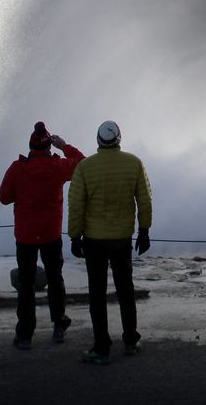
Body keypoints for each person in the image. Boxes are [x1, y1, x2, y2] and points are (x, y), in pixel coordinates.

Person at [67, 120, 153, 364]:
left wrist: (75, 236)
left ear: (98, 140)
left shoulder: (85, 167)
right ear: (119, 138)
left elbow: (76, 204)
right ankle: (131, 341)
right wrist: (144, 231)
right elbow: (144, 200)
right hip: (121, 239)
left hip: (94, 240)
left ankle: (101, 347)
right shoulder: (133, 163)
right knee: (125, 290)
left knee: (97, 294)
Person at [0, 120, 84, 349]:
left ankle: (25, 335)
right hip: (51, 234)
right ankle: (58, 327)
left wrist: (22, 192)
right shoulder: (58, 166)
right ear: (49, 146)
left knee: (25, 284)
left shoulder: (17, 169)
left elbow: (3, 197)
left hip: (25, 235)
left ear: (30, 147)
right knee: (55, 278)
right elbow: (83, 165)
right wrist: (64, 146)